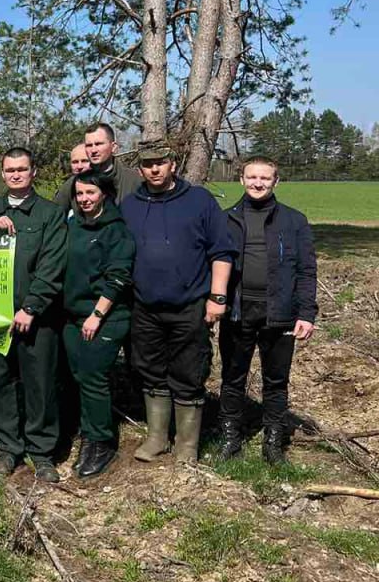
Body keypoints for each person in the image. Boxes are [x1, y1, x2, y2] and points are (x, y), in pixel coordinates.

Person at [120, 141, 236, 464]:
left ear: (173, 163)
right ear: (140, 168)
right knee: (150, 370)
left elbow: (221, 251)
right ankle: (157, 437)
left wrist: (217, 297)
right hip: (145, 307)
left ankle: (187, 445)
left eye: (160, 162)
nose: (154, 169)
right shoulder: (130, 205)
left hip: (190, 305)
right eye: (147, 164)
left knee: (189, 372)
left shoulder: (199, 201)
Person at [0, 147, 67, 482]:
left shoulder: (49, 214)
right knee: (0, 383)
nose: (16, 174)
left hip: (36, 319)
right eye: (10, 169)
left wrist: (31, 307)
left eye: (22, 169)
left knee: (39, 384)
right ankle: (8, 448)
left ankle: (42, 453)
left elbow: (52, 265)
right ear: (2, 173)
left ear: (33, 172)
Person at [219, 156, 317, 465]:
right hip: (237, 312)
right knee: (232, 378)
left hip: (280, 314)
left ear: (276, 182)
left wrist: (306, 313)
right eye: (252, 177)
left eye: (265, 178)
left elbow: (306, 271)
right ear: (241, 180)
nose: (257, 183)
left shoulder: (294, 220)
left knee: (276, 381)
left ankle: (273, 443)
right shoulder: (225, 220)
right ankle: (230, 437)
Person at [62, 170, 136, 478]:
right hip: (73, 314)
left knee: (94, 378)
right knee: (80, 376)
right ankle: (87, 437)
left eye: (90, 193)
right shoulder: (74, 223)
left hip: (104, 317)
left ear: (104, 193)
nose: (84, 199)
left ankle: (102, 441)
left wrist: (97, 315)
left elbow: (118, 276)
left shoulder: (115, 229)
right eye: (80, 194)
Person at [54, 123, 141, 212]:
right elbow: (54, 216)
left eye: (99, 144)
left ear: (114, 147)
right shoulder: (74, 184)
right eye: (89, 145)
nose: (93, 150)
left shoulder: (134, 180)